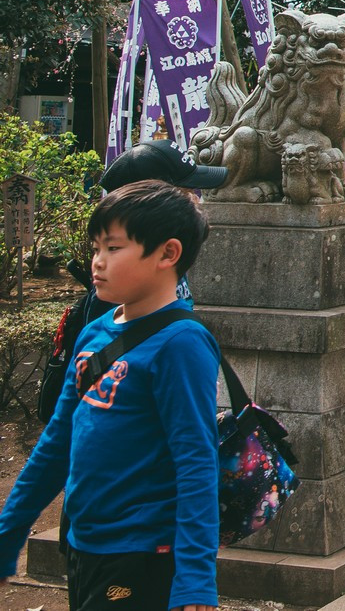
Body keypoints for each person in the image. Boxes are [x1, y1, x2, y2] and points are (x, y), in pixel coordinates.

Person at [0, 181, 221, 611]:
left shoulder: (181, 344)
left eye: (114, 248)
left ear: (167, 254)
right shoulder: (94, 334)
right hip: (84, 545)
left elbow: (197, 462)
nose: (97, 262)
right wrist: (9, 533)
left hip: (143, 553)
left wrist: (196, 578)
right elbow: (56, 443)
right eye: (96, 247)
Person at [37, 143, 225, 424]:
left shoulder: (168, 276)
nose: (197, 200)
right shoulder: (110, 304)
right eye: (186, 193)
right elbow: (70, 424)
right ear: (150, 202)